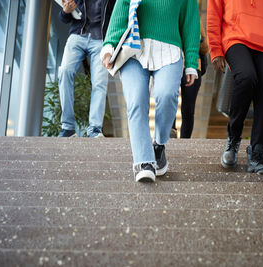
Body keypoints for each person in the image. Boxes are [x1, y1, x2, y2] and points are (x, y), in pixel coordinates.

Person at [101, 0, 200, 182]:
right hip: (133, 50)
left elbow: (190, 22)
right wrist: (109, 46)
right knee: (136, 101)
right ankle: (144, 161)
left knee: (166, 94)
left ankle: (159, 144)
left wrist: (191, 62)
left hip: (170, 50)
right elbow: (120, 13)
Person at [207, 0, 263, 175]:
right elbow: (213, 17)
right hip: (236, 39)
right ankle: (233, 140)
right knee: (246, 77)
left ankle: (257, 153)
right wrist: (215, 50)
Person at [57, 0, 116, 138]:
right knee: (64, 71)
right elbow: (63, 18)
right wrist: (65, 11)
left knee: (99, 83)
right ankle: (68, 127)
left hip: (100, 40)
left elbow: (116, 17)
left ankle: (95, 128)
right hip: (77, 36)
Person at [171, 14, 209, 139]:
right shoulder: (168, 14)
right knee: (169, 100)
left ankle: (185, 140)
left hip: (193, 67)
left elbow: (205, 49)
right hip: (171, 65)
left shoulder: (195, 17)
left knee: (188, 109)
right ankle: (170, 131)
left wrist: (200, 40)